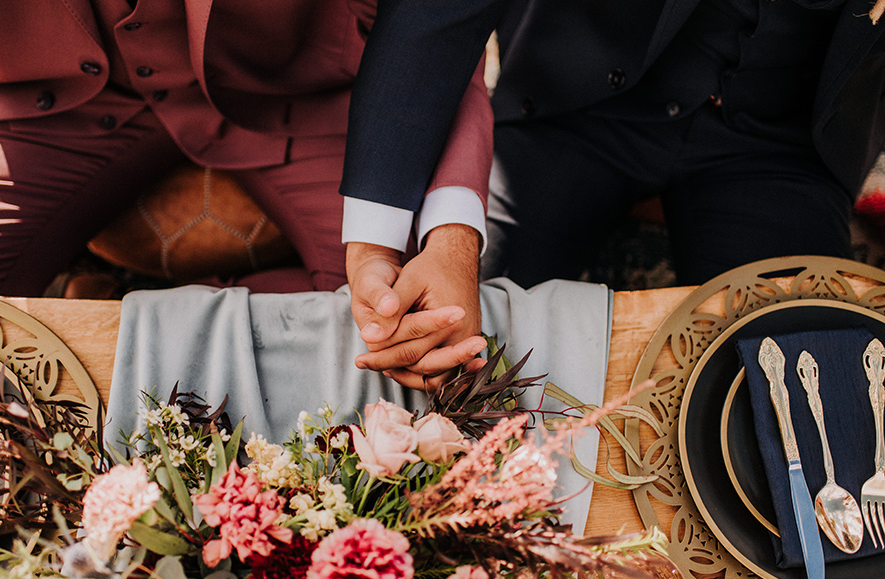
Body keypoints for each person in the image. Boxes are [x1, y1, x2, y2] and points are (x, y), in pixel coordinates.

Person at [0, 0, 493, 389]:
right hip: (55, 97)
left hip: (298, 91)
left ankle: (103, 310)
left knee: (397, 333)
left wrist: (453, 236)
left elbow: (437, 24)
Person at [340, 0, 885, 365]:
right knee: (436, 330)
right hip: (577, 107)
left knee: (811, 381)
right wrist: (376, 240)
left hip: (779, 137)